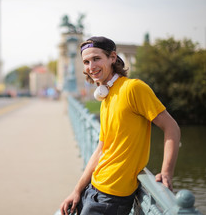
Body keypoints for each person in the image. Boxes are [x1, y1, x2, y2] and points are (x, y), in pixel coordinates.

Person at [60, 36, 181, 215]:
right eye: (86, 61)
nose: (91, 66)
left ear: (113, 57)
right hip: (93, 189)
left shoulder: (133, 88)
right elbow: (101, 149)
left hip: (111, 198)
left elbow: (172, 127)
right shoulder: (106, 97)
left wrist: (166, 172)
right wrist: (77, 190)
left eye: (96, 58)